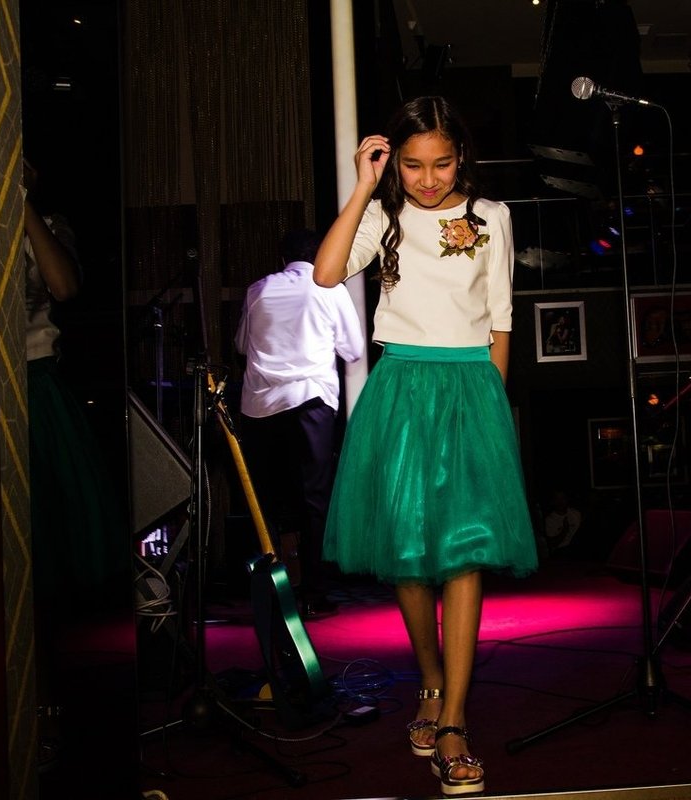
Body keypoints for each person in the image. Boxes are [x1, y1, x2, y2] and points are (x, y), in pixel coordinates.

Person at [313, 95, 537, 797]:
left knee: (465, 555)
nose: (429, 179)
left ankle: (455, 724)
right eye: (413, 165)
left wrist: (494, 414)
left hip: (471, 388)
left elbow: (501, 319)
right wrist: (363, 187)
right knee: (408, 556)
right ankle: (432, 682)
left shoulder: (492, 217)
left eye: (441, 163)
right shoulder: (383, 215)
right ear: (395, 164)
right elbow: (326, 273)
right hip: (402, 388)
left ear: (460, 156)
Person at [23, 157, 125, 765]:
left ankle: (46, 702)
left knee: (47, 547)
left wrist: (20, 205)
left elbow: (63, 287)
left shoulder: (47, 223)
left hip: (36, 385)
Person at [234, 228, 365, 619]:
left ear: (282, 258)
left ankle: (270, 590)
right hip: (309, 399)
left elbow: (241, 345)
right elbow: (353, 350)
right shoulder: (329, 287)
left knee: (266, 501)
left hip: (261, 407)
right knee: (313, 499)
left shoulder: (258, 290)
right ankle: (314, 593)